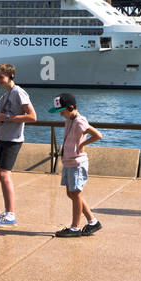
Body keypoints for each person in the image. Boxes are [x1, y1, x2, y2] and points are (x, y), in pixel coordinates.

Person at [51, 94, 104, 237]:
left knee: (75, 193)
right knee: (71, 193)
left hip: (77, 163)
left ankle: (75, 228)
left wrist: (82, 144)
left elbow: (97, 135)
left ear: (71, 108)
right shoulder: (69, 119)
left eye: (62, 111)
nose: (60, 114)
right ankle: (93, 221)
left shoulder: (79, 121)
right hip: (69, 162)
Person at [0, 64, 36, 227]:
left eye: (1, 77)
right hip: (1, 137)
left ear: (11, 76)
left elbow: (32, 116)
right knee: (1, 175)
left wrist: (9, 117)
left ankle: (11, 214)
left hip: (13, 139)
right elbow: (1, 118)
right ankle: (7, 211)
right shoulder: (4, 96)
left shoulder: (19, 92)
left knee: (4, 175)